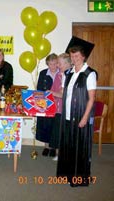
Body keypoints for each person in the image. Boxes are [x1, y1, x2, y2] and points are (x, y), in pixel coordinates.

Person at [57, 45, 97, 187]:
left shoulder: (89, 74)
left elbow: (91, 98)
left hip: (80, 115)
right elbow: (64, 94)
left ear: (83, 56)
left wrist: (85, 117)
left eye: (77, 56)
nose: (74, 59)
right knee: (67, 146)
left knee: (80, 148)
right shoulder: (68, 73)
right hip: (67, 115)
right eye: (72, 56)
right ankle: (66, 175)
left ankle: (79, 178)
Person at [48, 53, 72, 161]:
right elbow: (54, 91)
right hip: (57, 109)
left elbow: (63, 94)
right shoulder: (58, 76)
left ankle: (65, 155)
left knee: (65, 134)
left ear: (67, 64)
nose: (57, 65)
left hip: (67, 109)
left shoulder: (71, 75)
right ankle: (59, 154)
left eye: (59, 63)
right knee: (57, 133)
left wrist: (50, 92)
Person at [36, 53, 59, 157]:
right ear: (47, 64)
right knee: (45, 125)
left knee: (55, 125)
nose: (53, 66)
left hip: (58, 102)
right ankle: (46, 146)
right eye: (50, 64)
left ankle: (54, 147)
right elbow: (39, 89)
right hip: (45, 102)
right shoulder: (43, 73)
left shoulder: (62, 73)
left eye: (54, 64)